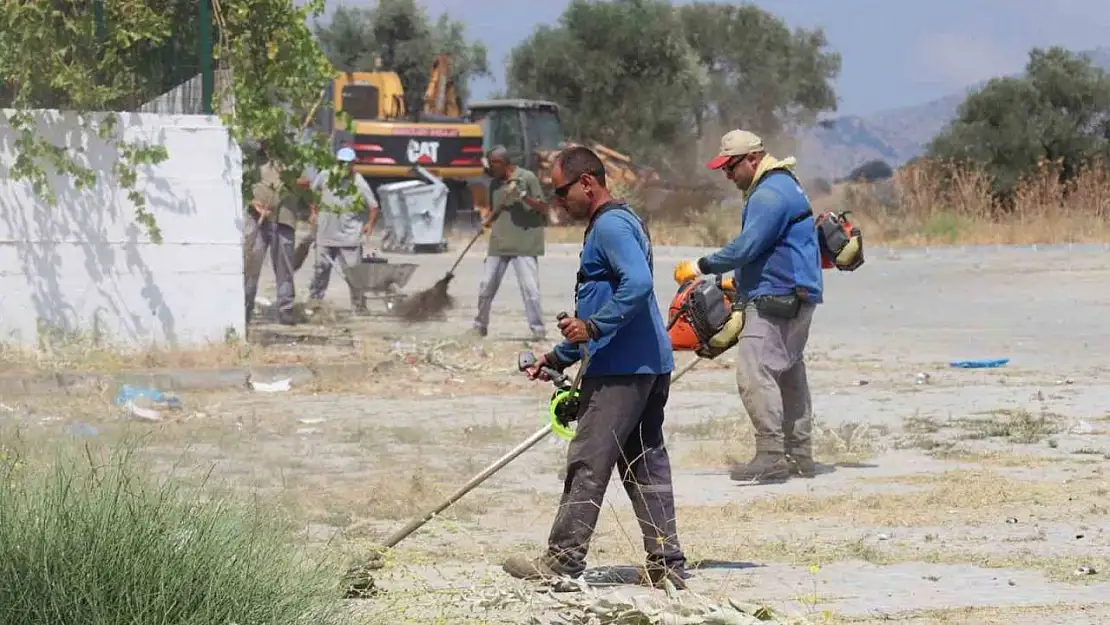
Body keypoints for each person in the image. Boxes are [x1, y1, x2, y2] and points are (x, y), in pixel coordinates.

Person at [504, 145, 687, 590]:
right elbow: (607, 306)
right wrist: (558, 355)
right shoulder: (619, 223)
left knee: (588, 460)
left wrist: (591, 326)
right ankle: (667, 563)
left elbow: (638, 286)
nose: (559, 201)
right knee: (644, 464)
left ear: (588, 182)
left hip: (623, 372)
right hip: (645, 364)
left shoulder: (610, 226)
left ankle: (563, 561)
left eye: (561, 191)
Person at [672, 129, 823, 482]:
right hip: (797, 291)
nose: (727, 175)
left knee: (754, 372)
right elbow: (770, 248)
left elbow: (747, 246)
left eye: (731, 166)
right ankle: (799, 455)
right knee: (788, 371)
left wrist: (702, 266)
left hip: (777, 295)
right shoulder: (784, 184)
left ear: (752, 158)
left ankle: (771, 455)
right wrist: (736, 281)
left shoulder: (768, 194)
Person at [473, 145, 548, 340]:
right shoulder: (495, 184)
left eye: (492, 164)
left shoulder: (527, 178)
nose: (490, 168)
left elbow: (542, 207)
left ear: (502, 163)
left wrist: (523, 196)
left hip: (524, 242)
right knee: (486, 285)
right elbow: (495, 209)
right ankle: (479, 326)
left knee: (530, 289)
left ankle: (538, 330)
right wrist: (485, 222)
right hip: (500, 242)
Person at [243, 141, 310, 326]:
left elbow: (305, 183)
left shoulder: (290, 160)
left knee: (284, 268)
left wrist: (288, 179)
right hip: (258, 219)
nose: (266, 144)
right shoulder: (253, 160)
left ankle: (285, 310)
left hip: (284, 219)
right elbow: (243, 185)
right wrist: (254, 204)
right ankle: (245, 309)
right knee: (251, 265)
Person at [308, 146, 379, 313]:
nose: (344, 167)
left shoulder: (358, 181)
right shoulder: (325, 176)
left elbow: (374, 206)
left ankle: (359, 306)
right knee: (320, 270)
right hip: (325, 234)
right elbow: (312, 194)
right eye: (341, 163)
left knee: (354, 274)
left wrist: (369, 225)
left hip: (349, 236)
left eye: (347, 164)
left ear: (353, 164)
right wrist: (313, 211)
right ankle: (315, 304)